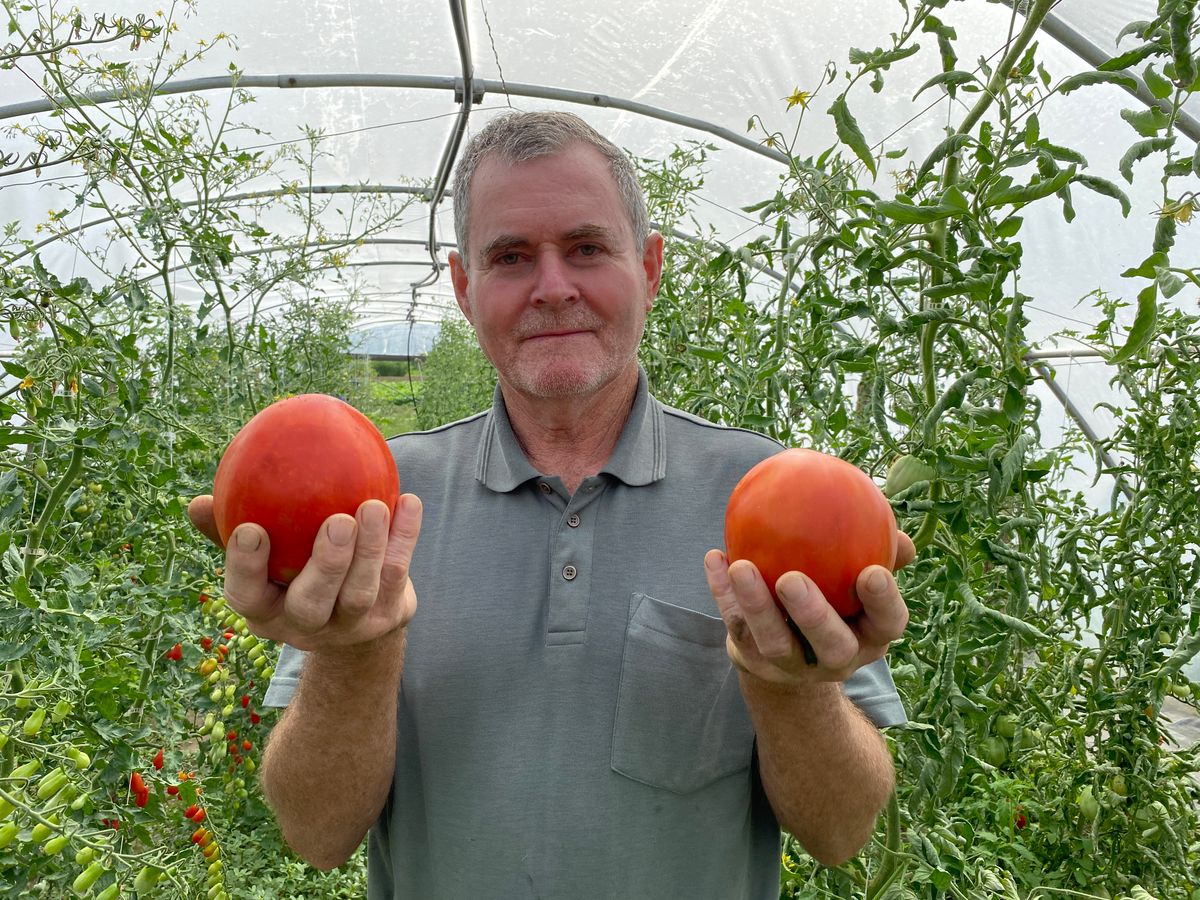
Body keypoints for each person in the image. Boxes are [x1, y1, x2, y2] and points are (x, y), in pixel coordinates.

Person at [188, 110, 913, 899]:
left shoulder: (767, 498)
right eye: (510, 257)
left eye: (587, 248)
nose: (553, 286)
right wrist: (354, 654)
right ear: (466, 290)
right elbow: (316, 834)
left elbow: (841, 833)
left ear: (650, 267)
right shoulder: (378, 511)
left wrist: (790, 687)